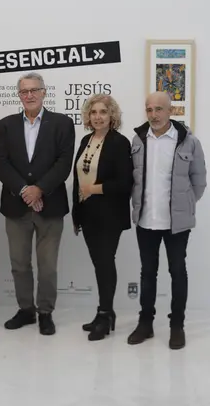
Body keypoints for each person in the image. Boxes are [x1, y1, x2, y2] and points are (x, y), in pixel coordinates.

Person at [0, 72, 75, 336]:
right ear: (19, 95)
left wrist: (39, 189)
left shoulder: (62, 123)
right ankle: (26, 310)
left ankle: (45, 312)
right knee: (19, 263)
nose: (28, 95)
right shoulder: (6, 124)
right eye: (23, 91)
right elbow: (2, 163)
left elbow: (64, 163)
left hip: (50, 206)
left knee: (48, 265)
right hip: (16, 206)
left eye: (33, 90)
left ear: (44, 92)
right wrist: (24, 190)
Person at [129, 91, 207, 350]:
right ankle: (146, 323)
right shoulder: (138, 140)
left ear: (170, 111)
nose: (154, 114)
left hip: (177, 224)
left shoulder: (188, 142)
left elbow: (199, 181)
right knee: (147, 272)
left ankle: (177, 326)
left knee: (177, 272)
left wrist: (184, 206)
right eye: (149, 109)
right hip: (146, 221)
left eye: (159, 109)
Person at [71, 94, 133, 341]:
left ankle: (105, 314)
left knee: (105, 262)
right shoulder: (86, 139)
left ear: (112, 116)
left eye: (103, 112)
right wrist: (77, 212)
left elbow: (125, 182)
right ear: (88, 116)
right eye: (93, 112)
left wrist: (94, 189)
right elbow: (77, 178)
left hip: (109, 213)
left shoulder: (119, 142)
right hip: (87, 213)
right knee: (100, 264)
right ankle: (104, 313)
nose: (98, 117)